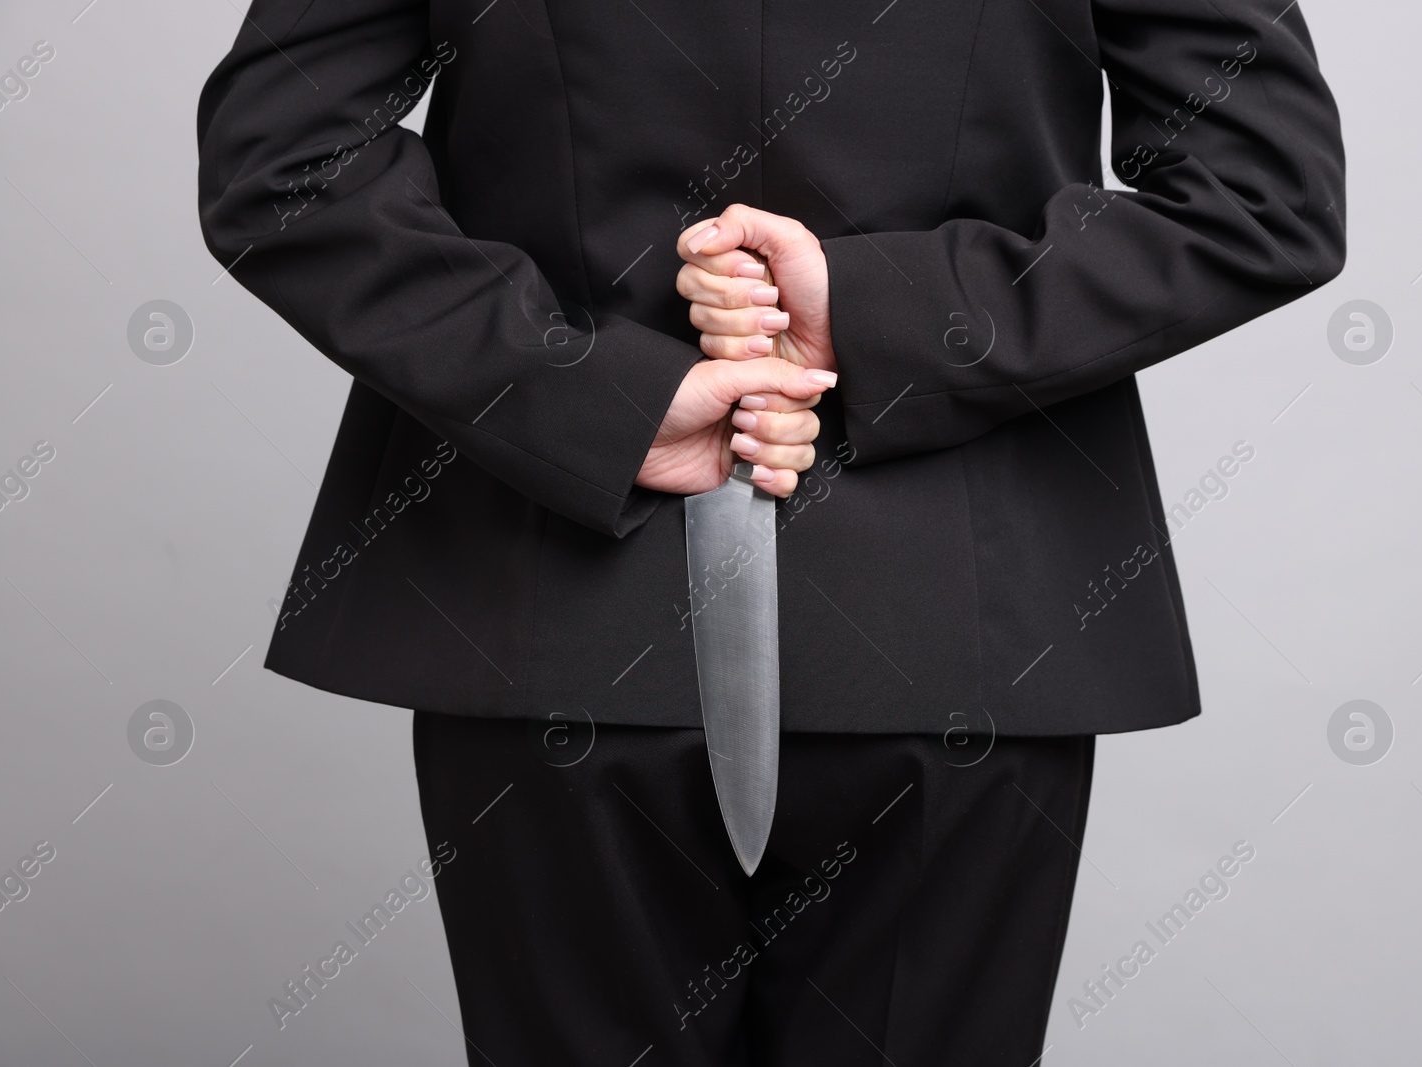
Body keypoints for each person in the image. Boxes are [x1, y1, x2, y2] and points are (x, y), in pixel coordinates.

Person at [196, 0, 1344, 1061]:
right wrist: (892, 310)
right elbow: (1261, 193)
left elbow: (286, 165)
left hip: (551, 614)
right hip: (965, 622)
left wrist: (591, 395)